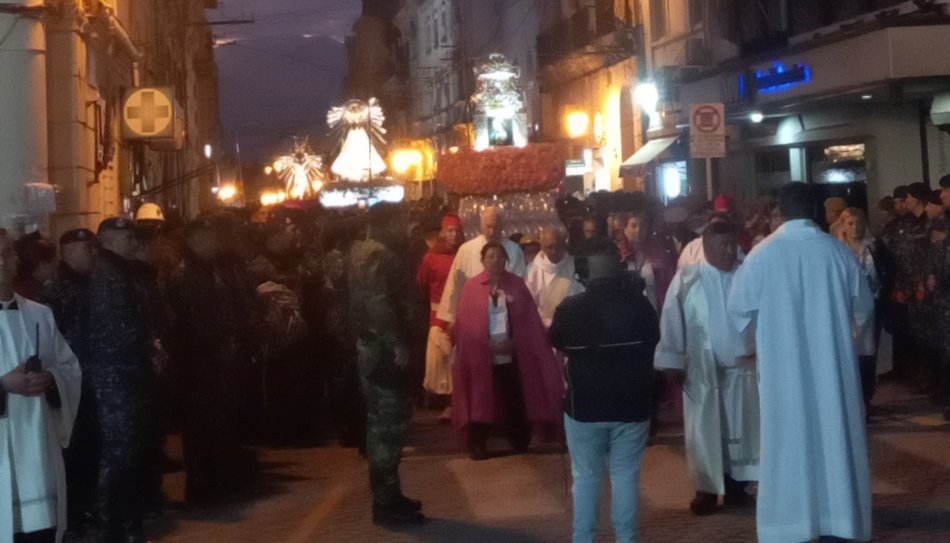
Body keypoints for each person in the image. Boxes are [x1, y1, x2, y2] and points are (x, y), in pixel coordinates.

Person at [729, 183, 874, 542]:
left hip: (782, 373)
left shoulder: (761, 256)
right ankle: (838, 518)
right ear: (813, 209)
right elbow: (865, 308)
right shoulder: (838, 254)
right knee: (834, 440)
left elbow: (736, 312)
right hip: (832, 372)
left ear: (779, 208)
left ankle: (788, 525)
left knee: (786, 445)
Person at [549, 238, 659, 543]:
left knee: (586, 478)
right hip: (632, 406)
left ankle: (583, 538)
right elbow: (654, 338)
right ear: (619, 269)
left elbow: (555, 340)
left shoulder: (571, 308)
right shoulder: (639, 305)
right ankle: (626, 538)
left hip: (585, 407)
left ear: (585, 271)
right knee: (625, 476)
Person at [656, 222, 759, 516]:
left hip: (744, 372)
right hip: (703, 372)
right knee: (705, 432)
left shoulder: (747, 273)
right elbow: (671, 318)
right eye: (722, 246)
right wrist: (672, 362)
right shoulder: (688, 278)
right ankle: (707, 492)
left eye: (732, 245)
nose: (729, 251)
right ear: (705, 247)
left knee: (742, 432)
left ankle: (738, 487)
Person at [0, 231, 82, 543]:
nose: (2, 260)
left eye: (7, 252)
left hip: (36, 448)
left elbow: (69, 368)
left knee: (38, 532)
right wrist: (4, 384)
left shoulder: (40, 314)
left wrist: (50, 380)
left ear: (17, 258)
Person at [166, 217, 255, 502]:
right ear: (196, 241)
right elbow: (189, 323)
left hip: (221, 359)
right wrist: (216, 343)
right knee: (202, 426)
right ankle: (202, 484)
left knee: (222, 421)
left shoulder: (215, 269)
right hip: (200, 363)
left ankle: (221, 476)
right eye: (209, 237)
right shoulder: (185, 275)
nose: (216, 243)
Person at [348, 203, 424, 526]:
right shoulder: (378, 255)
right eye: (402, 219)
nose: (405, 225)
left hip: (374, 350)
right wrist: (397, 343)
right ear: (390, 221)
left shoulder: (362, 251)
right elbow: (380, 304)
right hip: (385, 354)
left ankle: (390, 494)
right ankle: (386, 502)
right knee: (388, 429)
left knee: (382, 426)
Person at [452, 242, 563, 460]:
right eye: (490, 257)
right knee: (480, 395)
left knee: (515, 394)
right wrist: (483, 343)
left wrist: (516, 341)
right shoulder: (472, 288)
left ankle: (519, 439)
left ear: (507, 261)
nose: (495, 261)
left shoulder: (516, 285)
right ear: (482, 261)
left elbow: (529, 321)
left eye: (499, 257)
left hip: (512, 351)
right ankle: (478, 442)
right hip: (481, 354)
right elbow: (466, 325)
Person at [87, 217, 154, 543]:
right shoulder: (109, 276)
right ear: (109, 240)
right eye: (128, 238)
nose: (134, 244)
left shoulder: (118, 272)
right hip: (116, 374)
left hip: (123, 371)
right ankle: (115, 526)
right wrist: (148, 345)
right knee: (119, 453)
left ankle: (123, 523)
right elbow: (120, 327)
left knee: (125, 452)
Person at [38, 229, 99, 535]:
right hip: (69, 382)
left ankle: (87, 504)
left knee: (92, 448)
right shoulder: (55, 293)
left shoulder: (97, 285)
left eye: (92, 248)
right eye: (83, 249)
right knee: (73, 448)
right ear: (67, 253)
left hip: (94, 380)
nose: (90, 254)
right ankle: (74, 512)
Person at [436, 207, 526, 325]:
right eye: (488, 227)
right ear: (481, 226)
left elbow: (519, 284)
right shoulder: (466, 250)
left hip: (506, 316)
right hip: (472, 315)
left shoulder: (514, 250)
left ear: (502, 226)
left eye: (495, 227)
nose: (492, 232)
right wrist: (451, 319)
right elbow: (455, 285)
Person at [416, 214, 464, 411]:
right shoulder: (431, 257)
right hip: (438, 316)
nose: (453, 235)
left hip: (462, 313)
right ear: (443, 233)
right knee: (443, 359)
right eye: (450, 231)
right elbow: (421, 284)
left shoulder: (465, 253)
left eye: (456, 231)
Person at [837, 208, 883, 409]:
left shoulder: (871, 249)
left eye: (859, 223)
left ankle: (866, 397)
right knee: (848, 355)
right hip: (846, 309)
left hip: (868, 308)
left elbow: (879, 277)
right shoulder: (837, 251)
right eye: (850, 224)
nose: (855, 228)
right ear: (843, 227)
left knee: (867, 356)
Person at [525, 228, 584, 329]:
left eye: (558, 246)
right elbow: (529, 304)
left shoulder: (575, 265)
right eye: (549, 247)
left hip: (571, 326)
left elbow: (581, 296)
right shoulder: (533, 270)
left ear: (563, 244)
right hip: (542, 328)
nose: (554, 251)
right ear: (542, 247)